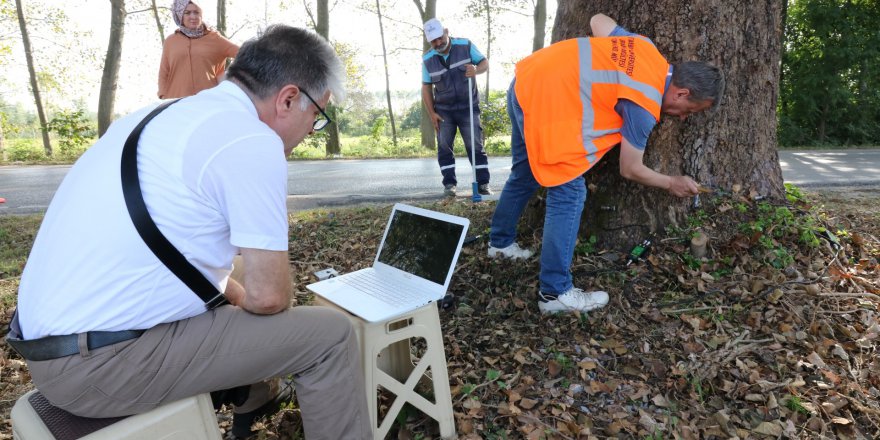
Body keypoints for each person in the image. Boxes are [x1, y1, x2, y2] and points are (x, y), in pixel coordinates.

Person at [8, 25, 370, 440]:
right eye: (317, 117)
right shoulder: (252, 141)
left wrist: (240, 297)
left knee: (232, 292)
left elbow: (193, 264)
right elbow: (270, 298)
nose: (311, 133)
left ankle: (255, 397)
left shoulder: (154, 116)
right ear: (289, 99)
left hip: (52, 350)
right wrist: (253, 301)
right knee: (330, 336)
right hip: (97, 368)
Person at [488, 14, 725, 314]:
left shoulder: (645, 49)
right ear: (682, 92)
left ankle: (499, 245)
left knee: (524, 173)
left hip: (526, 83)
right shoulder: (644, 104)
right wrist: (671, 182)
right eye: (689, 110)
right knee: (570, 193)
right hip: (546, 104)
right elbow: (630, 168)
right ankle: (554, 293)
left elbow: (598, 20)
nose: (682, 117)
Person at [421, 18, 492, 197]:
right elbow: (426, 87)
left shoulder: (465, 45)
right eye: (433, 41)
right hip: (444, 111)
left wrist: (476, 70)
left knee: (475, 145)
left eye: (440, 38)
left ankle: (483, 183)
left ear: (446, 31)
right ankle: (449, 185)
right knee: (444, 147)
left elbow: (484, 62)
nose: (438, 43)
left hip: (469, 106)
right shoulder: (427, 59)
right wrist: (432, 114)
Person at [158, 0, 239, 99]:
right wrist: (162, 95)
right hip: (176, 102)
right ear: (179, 16)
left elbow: (243, 54)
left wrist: (227, 76)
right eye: (187, 13)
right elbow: (164, 71)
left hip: (207, 101)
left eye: (196, 12)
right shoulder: (170, 41)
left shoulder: (215, 38)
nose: (193, 17)